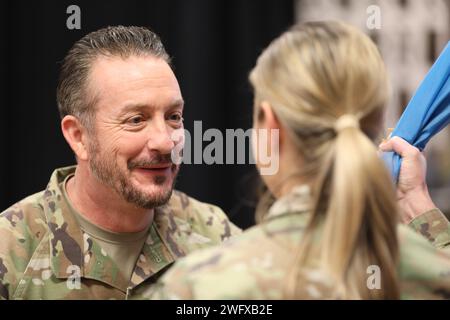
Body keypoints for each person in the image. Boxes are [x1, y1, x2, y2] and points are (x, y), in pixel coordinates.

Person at [140, 21, 450, 300]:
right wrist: (420, 211)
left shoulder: (198, 288)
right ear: (376, 119)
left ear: (270, 124)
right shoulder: (432, 272)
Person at [0, 26, 241, 300]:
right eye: (136, 120)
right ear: (79, 137)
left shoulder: (215, 235)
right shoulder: (10, 253)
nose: (165, 142)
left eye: (174, 116)